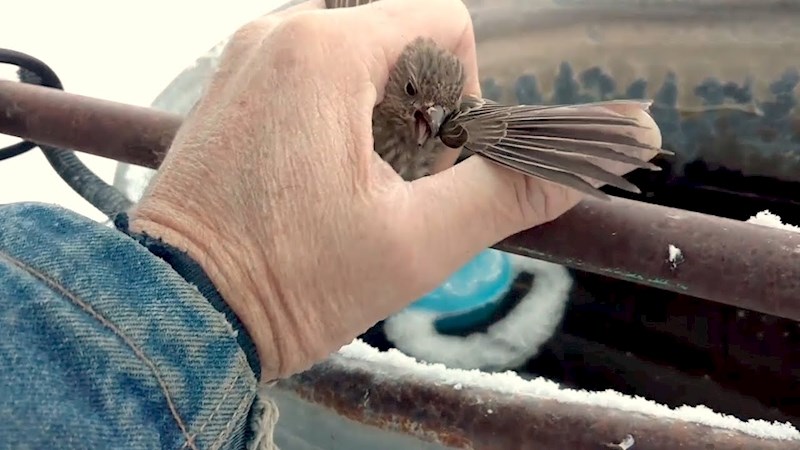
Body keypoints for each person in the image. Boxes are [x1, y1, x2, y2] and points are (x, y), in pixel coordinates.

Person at [0, 0, 660, 448]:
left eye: (438, 109)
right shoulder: (351, 110)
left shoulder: (453, 120)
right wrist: (239, 284)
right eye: (412, 103)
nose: (427, 123)